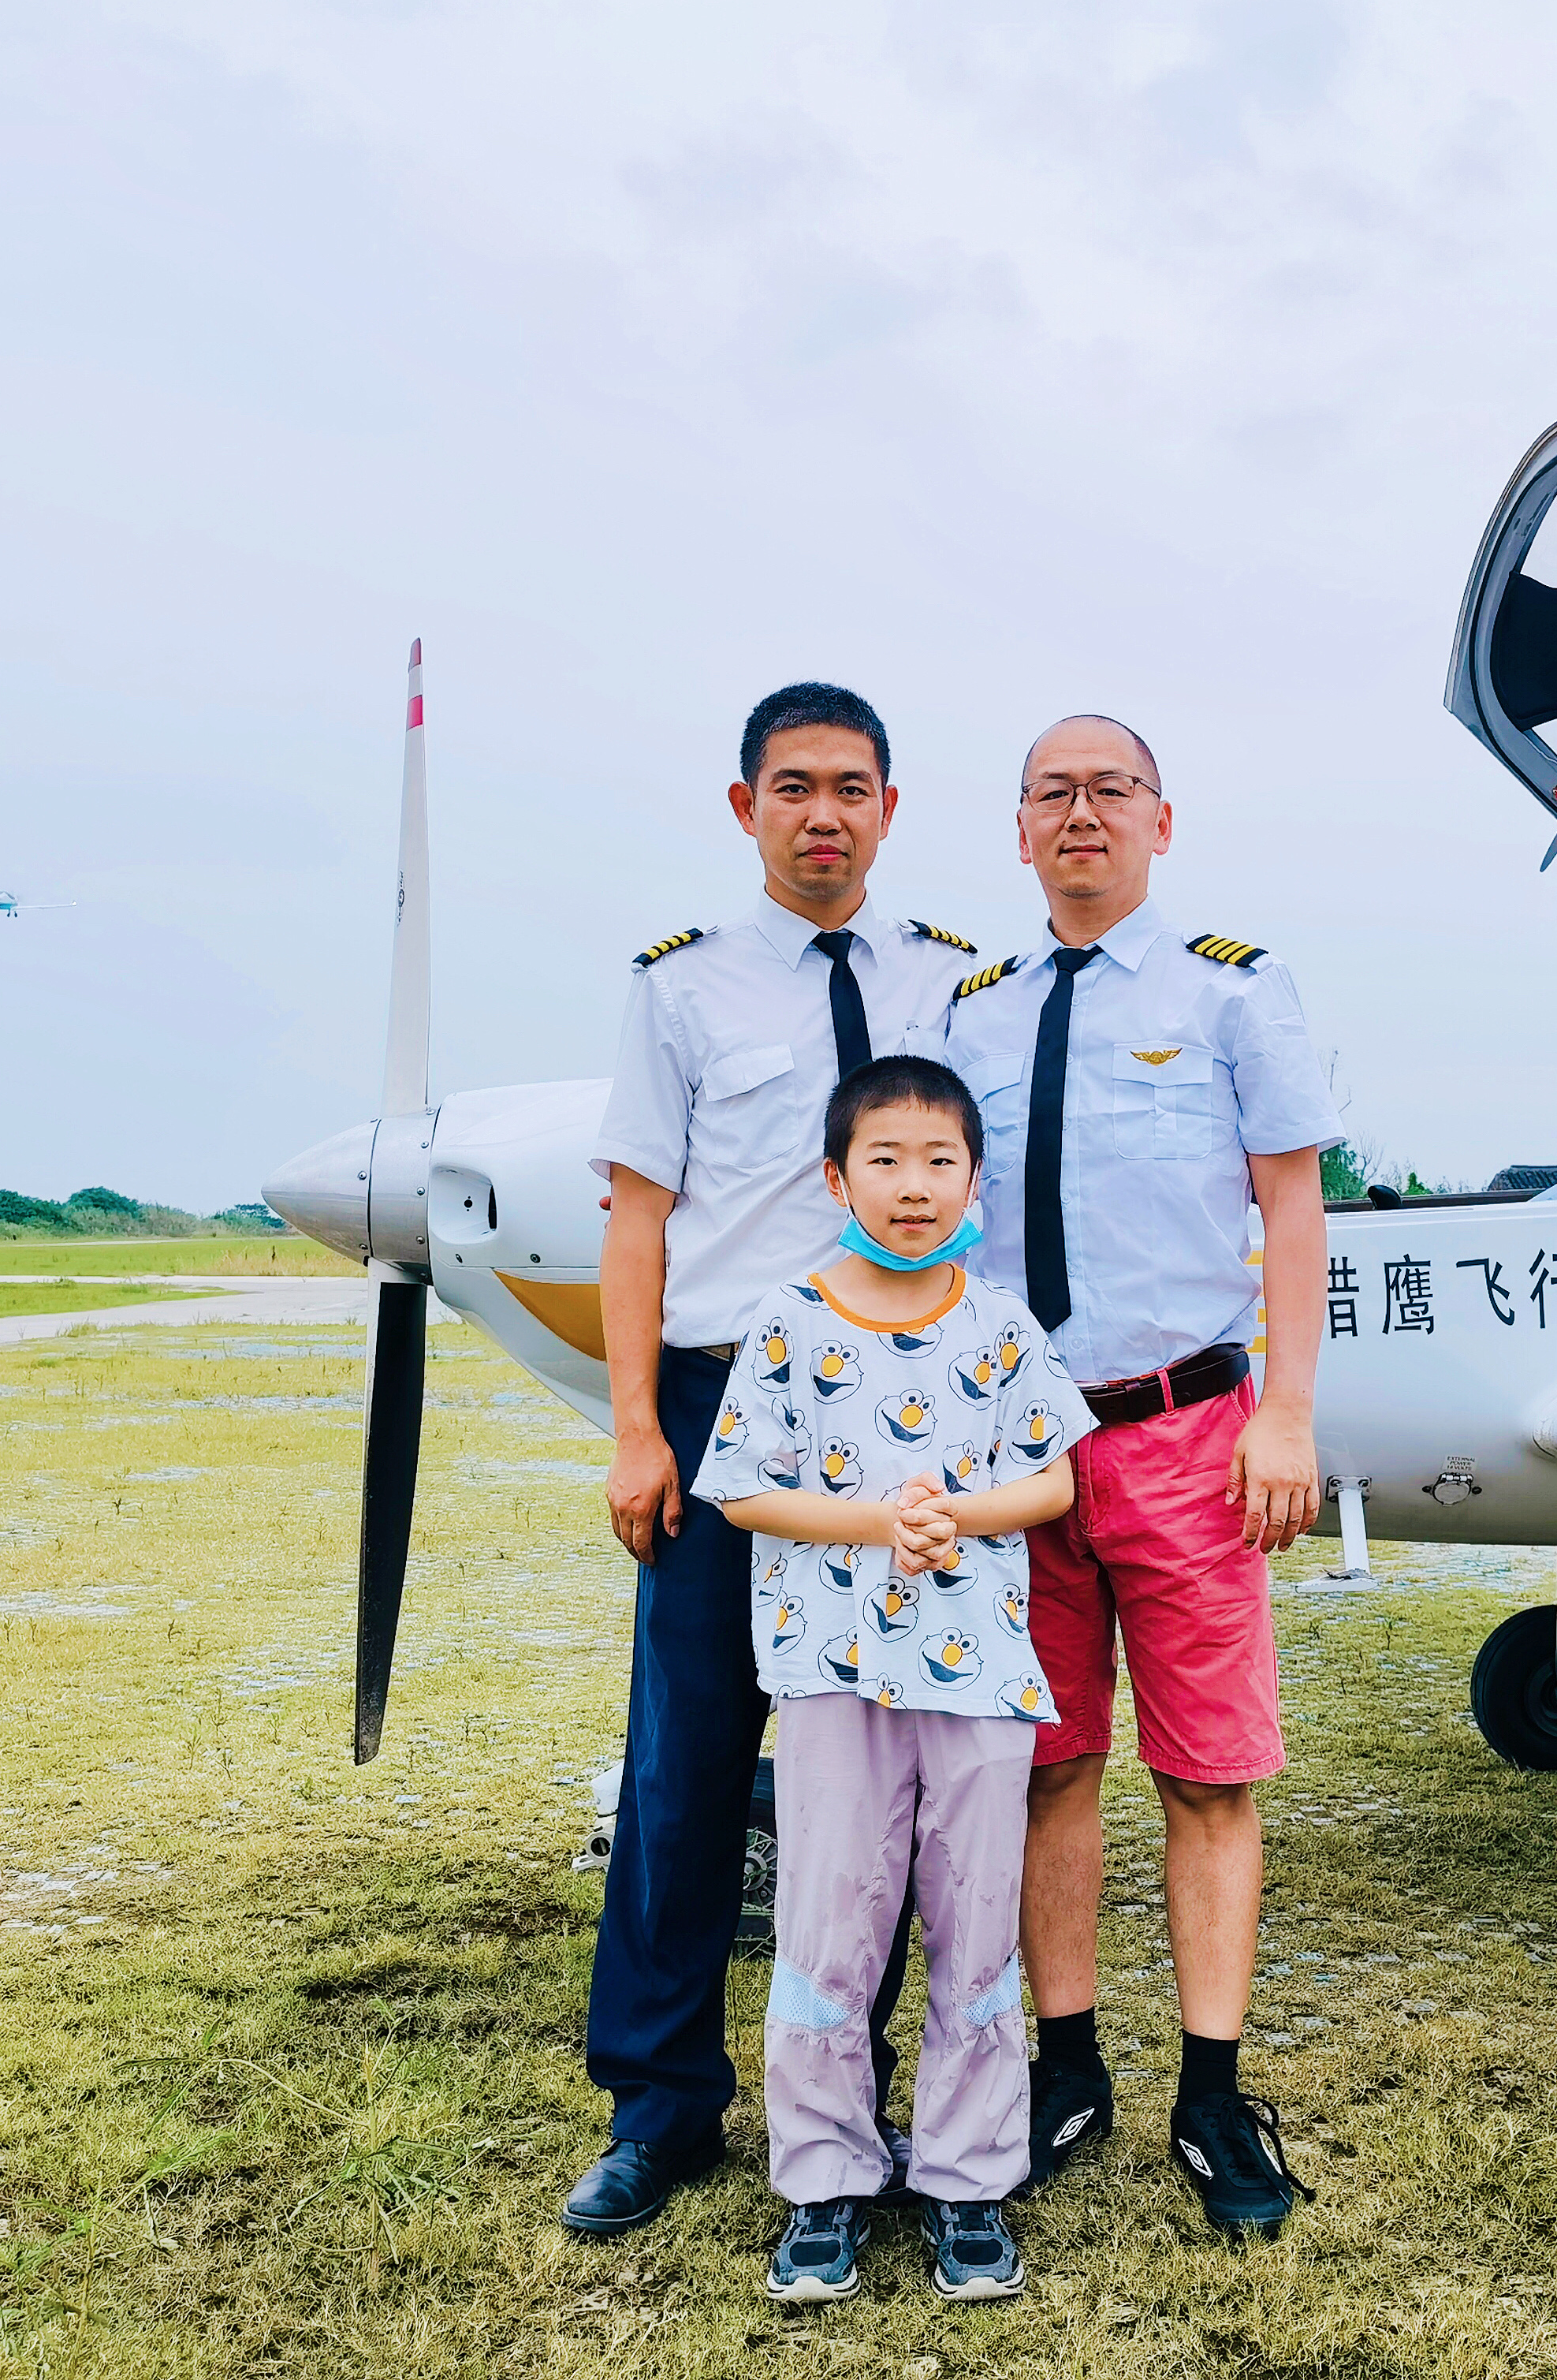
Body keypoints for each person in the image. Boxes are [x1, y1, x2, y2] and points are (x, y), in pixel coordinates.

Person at [565, 683, 980, 2237]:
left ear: (890, 808)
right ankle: (659, 2105)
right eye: (794, 787)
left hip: (899, 1420)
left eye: (851, 788)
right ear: (745, 807)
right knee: (682, 1769)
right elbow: (638, 1222)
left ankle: (856, 2106)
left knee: (879, 1782)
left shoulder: (950, 980)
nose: (824, 815)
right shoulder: (680, 988)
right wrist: (634, 1431)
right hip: (723, 1406)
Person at [941, 714, 1339, 2240]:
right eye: (1053, 793)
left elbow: (1292, 1210)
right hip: (1019, 1444)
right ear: (1020, 830)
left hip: (1187, 1434)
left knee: (1208, 1774)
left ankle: (1212, 2095)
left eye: (1112, 790)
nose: (1083, 814)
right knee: (1045, 1766)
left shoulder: (1232, 991)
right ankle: (1065, 2069)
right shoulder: (974, 1012)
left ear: (1162, 823)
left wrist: (1285, 1414)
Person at [694, 1054, 1090, 2304]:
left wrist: (955, 1516)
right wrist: (881, 1524)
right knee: (830, 1922)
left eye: (939, 1161)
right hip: (831, 1673)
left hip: (978, 1679)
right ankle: (824, 2181)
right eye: (886, 1159)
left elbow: (1053, 1479)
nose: (914, 1186)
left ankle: (969, 2181)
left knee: (975, 1922)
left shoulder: (1002, 1323)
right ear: (837, 1178)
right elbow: (742, 1488)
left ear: (974, 1179)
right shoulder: (789, 1320)